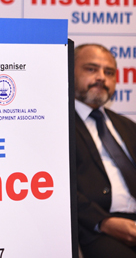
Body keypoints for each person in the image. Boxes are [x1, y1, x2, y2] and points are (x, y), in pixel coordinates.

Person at [75, 43, 136, 258]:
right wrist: (103, 222)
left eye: (109, 72)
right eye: (91, 69)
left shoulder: (127, 126)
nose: (101, 77)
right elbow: (58, 188)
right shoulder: (58, 127)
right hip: (95, 227)